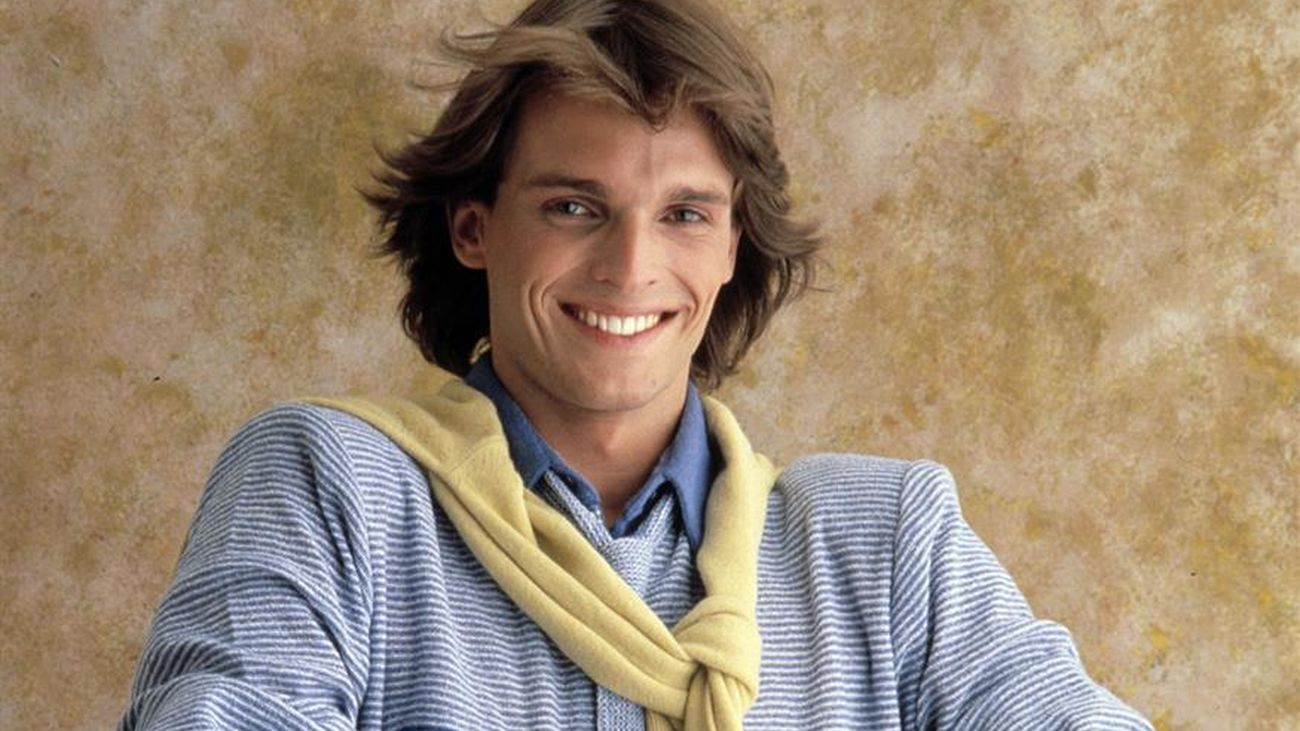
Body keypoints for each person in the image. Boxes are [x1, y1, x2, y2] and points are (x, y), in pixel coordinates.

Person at [120, 0, 1153, 729]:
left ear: (734, 244)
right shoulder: (330, 486)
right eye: (574, 206)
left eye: (684, 214)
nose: (629, 266)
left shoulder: (887, 549)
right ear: (474, 228)